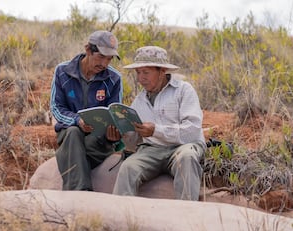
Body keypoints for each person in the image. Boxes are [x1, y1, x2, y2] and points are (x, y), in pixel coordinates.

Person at [112, 46, 206, 200]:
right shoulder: (139, 101)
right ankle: (123, 218)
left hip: (182, 147)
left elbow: (193, 131)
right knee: (128, 167)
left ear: (162, 71)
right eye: (138, 72)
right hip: (152, 150)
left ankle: (187, 217)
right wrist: (122, 134)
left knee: (187, 157)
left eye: (146, 72)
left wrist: (156, 131)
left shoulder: (183, 90)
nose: (140, 78)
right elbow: (133, 143)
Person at [50, 30, 123, 191]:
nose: (104, 64)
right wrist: (77, 120)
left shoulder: (114, 78)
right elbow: (56, 108)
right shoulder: (62, 71)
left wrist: (113, 136)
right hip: (70, 133)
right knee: (73, 133)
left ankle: (71, 169)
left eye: (109, 59)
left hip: (98, 140)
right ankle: (81, 192)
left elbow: (114, 113)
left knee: (73, 150)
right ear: (88, 50)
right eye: (101, 57)